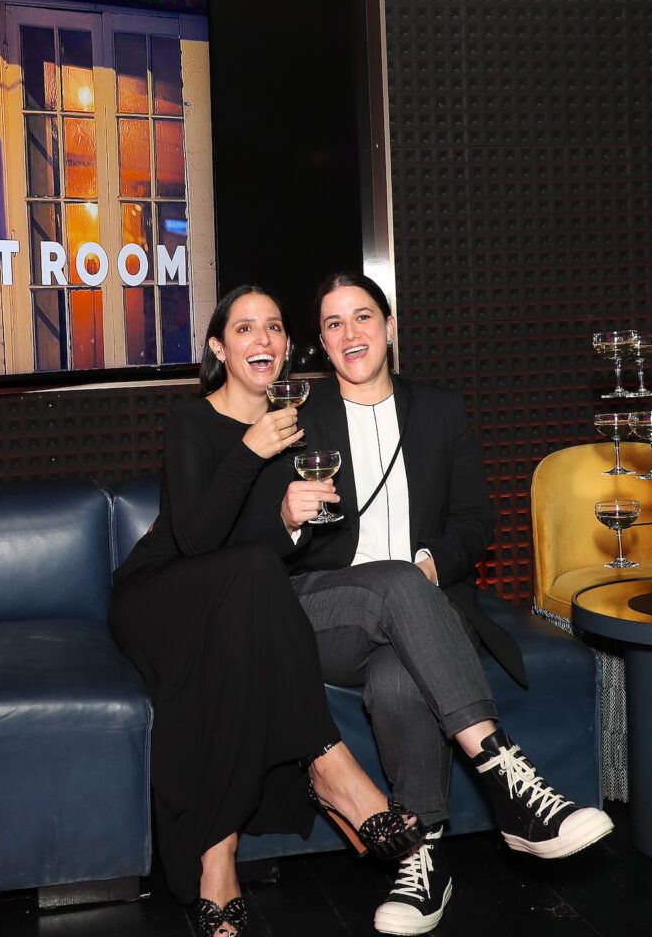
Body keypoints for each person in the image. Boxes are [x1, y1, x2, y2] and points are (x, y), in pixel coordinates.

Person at [266, 271, 612, 936]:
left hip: (420, 613)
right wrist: (288, 515)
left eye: (362, 317)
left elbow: (475, 520)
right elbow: (263, 544)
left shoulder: (440, 410)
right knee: (394, 581)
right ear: (322, 344)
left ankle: (423, 858)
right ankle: (509, 779)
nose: (350, 333)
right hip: (325, 614)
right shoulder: (294, 424)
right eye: (334, 325)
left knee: (401, 679)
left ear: (390, 328)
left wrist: (435, 563)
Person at [110, 284, 425, 937]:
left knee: (237, 633)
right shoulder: (191, 422)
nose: (264, 340)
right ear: (219, 348)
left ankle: (218, 862)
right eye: (246, 329)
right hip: (158, 594)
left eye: (275, 328)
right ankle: (328, 762)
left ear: (285, 347)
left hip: (232, 608)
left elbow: (268, 553)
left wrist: (290, 521)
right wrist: (250, 449)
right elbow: (197, 540)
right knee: (250, 576)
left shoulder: (298, 434)